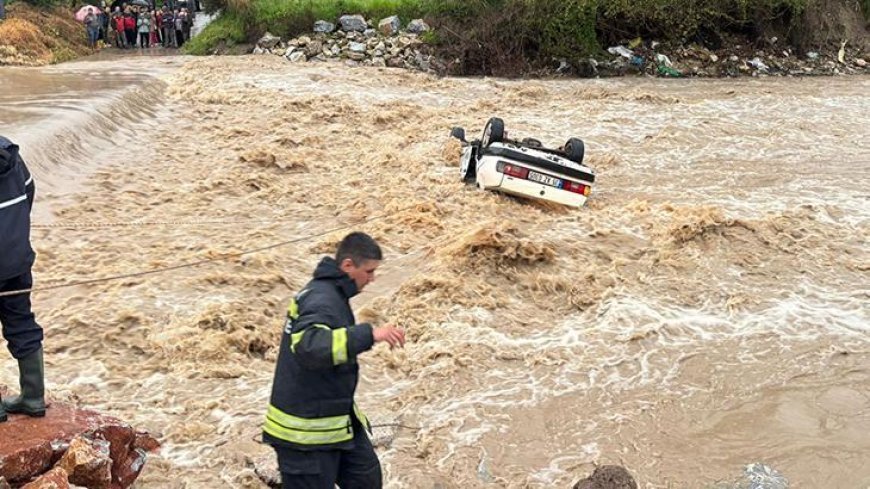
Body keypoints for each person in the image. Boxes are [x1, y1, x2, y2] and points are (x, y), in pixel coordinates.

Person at [263, 232, 405, 488]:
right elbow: (310, 346)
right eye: (369, 271)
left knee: (367, 478)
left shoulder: (331, 293)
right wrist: (369, 334)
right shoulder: (322, 299)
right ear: (348, 265)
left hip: (336, 418)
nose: (372, 279)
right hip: (305, 434)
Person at [0, 136, 46, 423]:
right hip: (16, 262)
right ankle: (33, 398)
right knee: (22, 323)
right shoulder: (10, 154)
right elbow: (29, 192)